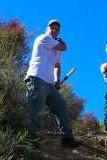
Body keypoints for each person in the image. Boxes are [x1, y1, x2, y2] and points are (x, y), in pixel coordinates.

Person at [25, 19, 79, 147]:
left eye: (56, 29)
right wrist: (62, 42)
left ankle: (67, 138)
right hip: (37, 77)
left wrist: (57, 80)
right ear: (47, 28)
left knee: (60, 106)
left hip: (49, 83)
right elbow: (64, 47)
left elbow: (57, 66)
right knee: (33, 109)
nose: (54, 30)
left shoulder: (56, 47)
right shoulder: (43, 38)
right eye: (52, 28)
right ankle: (27, 140)